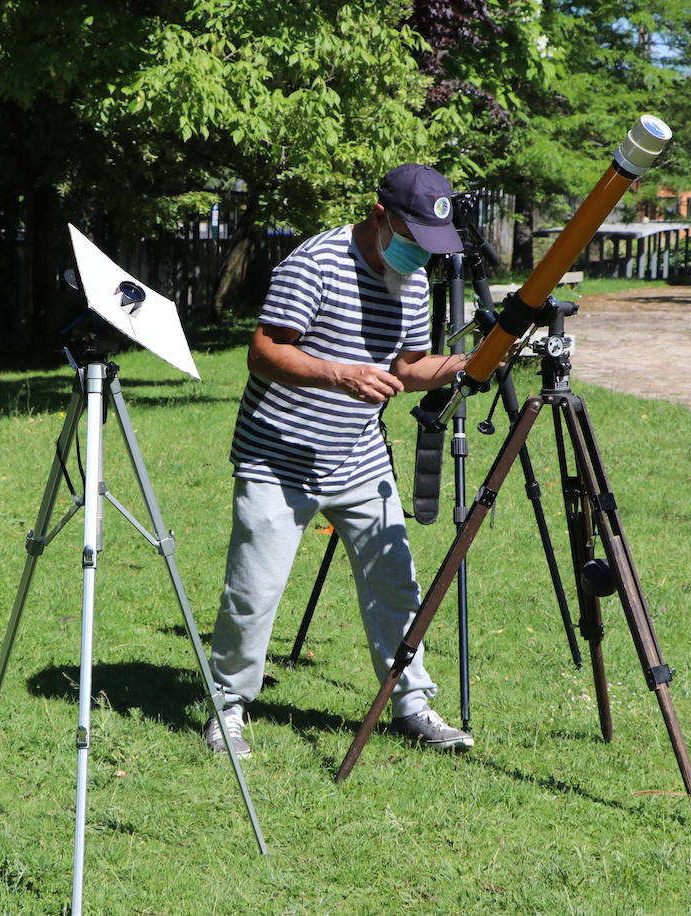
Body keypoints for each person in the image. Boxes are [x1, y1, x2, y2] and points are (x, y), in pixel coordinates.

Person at [204, 163, 474, 759]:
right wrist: (338, 373)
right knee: (255, 591)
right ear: (380, 217)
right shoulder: (315, 263)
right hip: (277, 455)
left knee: (396, 585)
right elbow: (263, 351)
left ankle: (412, 706)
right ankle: (227, 709)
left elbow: (406, 369)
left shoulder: (412, 280)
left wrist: (470, 366)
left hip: (359, 456)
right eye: (412, 240)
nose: (419, 256)